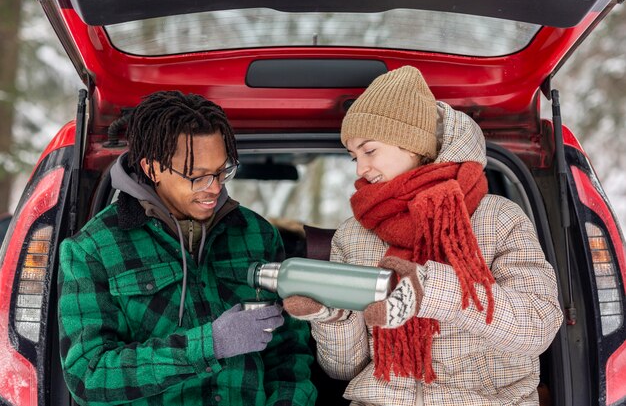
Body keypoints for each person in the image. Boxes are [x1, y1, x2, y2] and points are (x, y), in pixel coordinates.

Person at [284, 66, 563, 405]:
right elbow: (345, 369)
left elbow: (538, 327)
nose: (359, 169)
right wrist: (331, 317)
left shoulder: (497, 218)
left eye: (369, 150)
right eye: (353, 156)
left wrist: (431, 290)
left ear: (414, 145)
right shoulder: (353, 235)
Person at [58, 91, 317, 406]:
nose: (216, 187)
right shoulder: (93, 249)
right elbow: (88, 376)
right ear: (152, 169)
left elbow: (290, 353)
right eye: (198, 177)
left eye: (223, 171)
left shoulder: (258, 235)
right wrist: (209, 345)